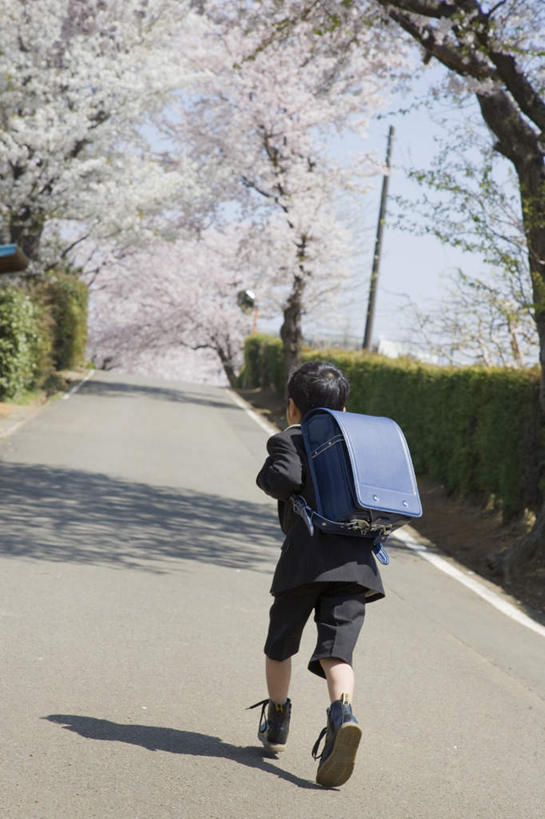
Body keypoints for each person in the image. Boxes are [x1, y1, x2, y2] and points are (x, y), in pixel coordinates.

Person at [251, 359, 385, 788]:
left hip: (304, 561)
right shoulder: (361, 443)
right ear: (345, 410)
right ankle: (342, 714)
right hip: (357, 565)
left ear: (292, 407)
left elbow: (282, 479)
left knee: (281, 643)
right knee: (337, 652)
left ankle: (276, 720)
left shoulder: (291, 437)